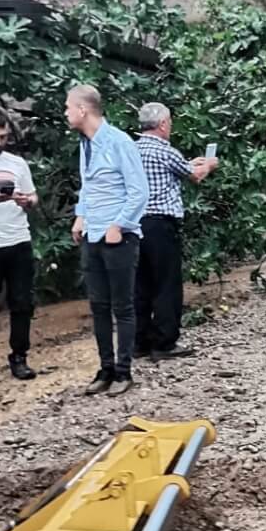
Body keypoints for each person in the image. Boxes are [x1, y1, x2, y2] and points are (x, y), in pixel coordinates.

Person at [67, 85, 149, 396]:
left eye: (68, 107)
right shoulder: (85, 145)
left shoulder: (119, 142)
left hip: (118, 238)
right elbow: (88, 187)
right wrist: (80, 215)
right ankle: (105, 368)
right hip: (92, 235)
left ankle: (124, 371)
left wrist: (120, 225)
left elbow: (139, 192)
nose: (66, 113)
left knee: (122, 306)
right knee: (98, 306)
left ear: (83, 110)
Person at [134, 102, 217, 359]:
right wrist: (210, 164)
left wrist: (188, 164)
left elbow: (178, 169)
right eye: (169, 122)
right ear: (161, 124)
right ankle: (164, 342)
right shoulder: (164, 150)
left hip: (134, 224)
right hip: (161, 223)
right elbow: (195, 176)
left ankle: (139, 341)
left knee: (141, 284)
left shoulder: (131, 149)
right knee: (166, 283)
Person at [0, 107, 38, 380]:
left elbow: (34, 198)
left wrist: (27, 201)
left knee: (22, 303)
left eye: (3, 136)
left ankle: (19, 356)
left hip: (18, 240)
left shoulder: (17, 163)